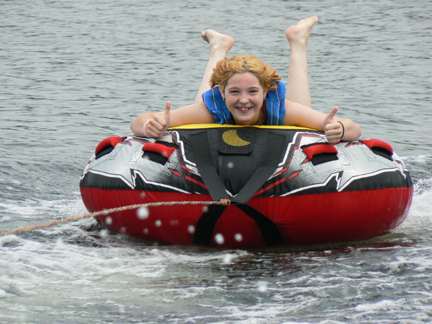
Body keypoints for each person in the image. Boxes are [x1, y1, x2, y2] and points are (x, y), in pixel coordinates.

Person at [131, 17, 361, 144]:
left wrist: (337, 129)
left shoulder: (278, 106)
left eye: (252, 92)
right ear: (222, 93)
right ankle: (218, 49)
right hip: (217, 105)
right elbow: (139, 122)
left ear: (266, 91)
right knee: (202, 109)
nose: (244, 101)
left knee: (300, 124)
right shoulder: (212, 107)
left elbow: (354, 128)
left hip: (275, 116)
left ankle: (298, 42)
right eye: (234, 93)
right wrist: (150, 125)